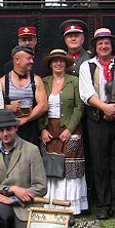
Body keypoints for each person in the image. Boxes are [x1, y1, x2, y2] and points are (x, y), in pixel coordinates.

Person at [78, 28, 115, 220]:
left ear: (112, 45)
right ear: (95, 46)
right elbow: (86, 93)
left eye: (107, 43)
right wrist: (105, 108)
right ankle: (103, 204)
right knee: (100, 163)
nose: (103, 46)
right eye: (100, 43)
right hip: (97, 118)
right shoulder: (87, 66)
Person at [0, 109, 47, 228]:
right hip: (1, 204)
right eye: (1, 130)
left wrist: (13, 199)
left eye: (8, 129)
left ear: (16, 128)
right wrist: (10, 189)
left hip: (25, 205)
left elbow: (41, 187)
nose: (5, 134)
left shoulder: (31, 150)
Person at [39, 49, 87, 215]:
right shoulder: (44, 82)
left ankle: (72, 206)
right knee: (52, 165)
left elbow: (79, 107)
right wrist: (42, 129)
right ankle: (52, 204)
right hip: (49, 128)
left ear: (66, 63)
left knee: (70, 166)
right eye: (55, 61)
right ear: (50, 64)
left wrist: (69, 129)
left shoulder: (74, 81)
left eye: (61, 61)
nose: (58, 64)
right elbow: (39, 106)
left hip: (69, 126)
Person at [0, 46, 48, 147]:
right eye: (28, 58)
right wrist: (7, 108)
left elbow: (43, 105)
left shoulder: (36, 80)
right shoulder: (3, 82)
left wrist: (25, 120)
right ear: (17, 60)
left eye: (32, 58)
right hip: (9, 128)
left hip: (31, 129)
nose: (32, 62)